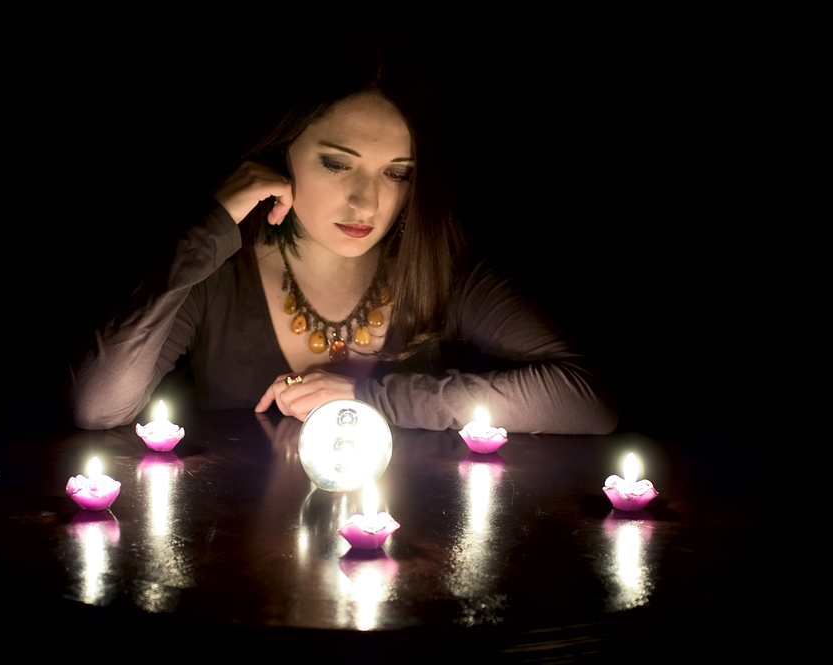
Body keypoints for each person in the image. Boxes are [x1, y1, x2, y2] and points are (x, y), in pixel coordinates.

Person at [69, 40, 617, 435]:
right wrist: (206, 230)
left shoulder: (443, 270)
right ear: (282, 150)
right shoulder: (216, 268)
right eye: (337, 164)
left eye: (397, 172)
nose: (367, 203)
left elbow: (587, 401)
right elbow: (98, 406)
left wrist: (372, 398)